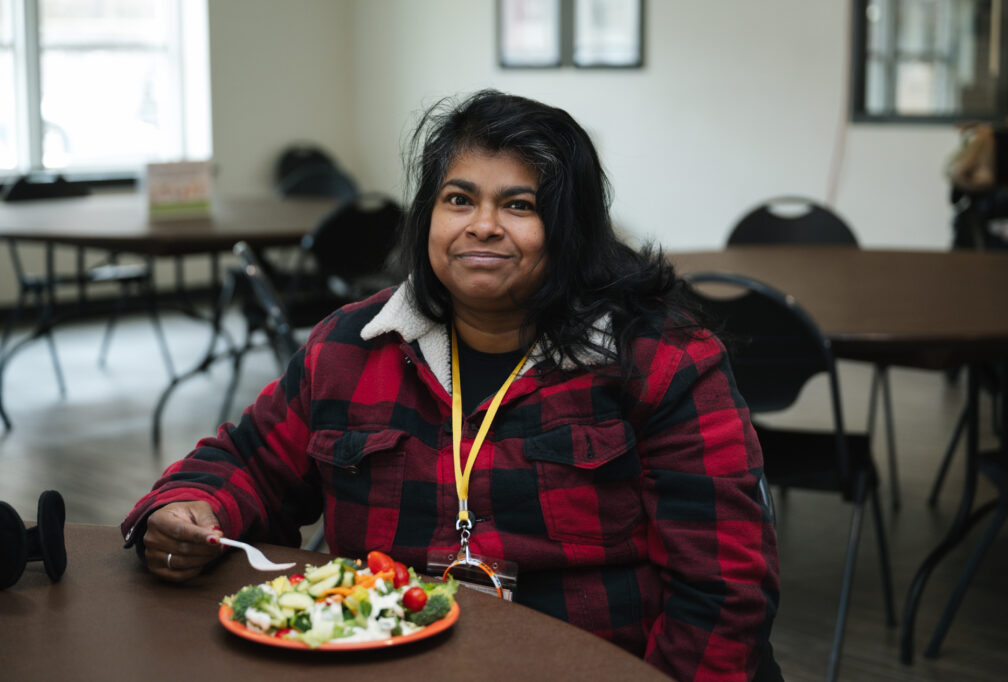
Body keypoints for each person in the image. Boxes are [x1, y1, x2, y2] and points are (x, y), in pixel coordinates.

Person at [122, 90, 781, 680]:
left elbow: (723, 590)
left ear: (572, 231)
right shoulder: (350, 348)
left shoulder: (663, 360)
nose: (482, 225)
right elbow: (246, 462)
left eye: (519, 205)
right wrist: (188, 507)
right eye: (459, 199)